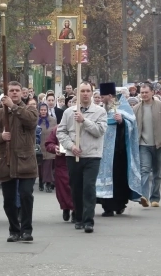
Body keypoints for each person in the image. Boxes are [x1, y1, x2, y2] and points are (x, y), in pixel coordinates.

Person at [0, 81, 38, 242]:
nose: (14, 93)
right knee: (8, 200)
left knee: (26, 195)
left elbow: (31, 122)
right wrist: (0, 137)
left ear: (22, 93)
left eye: (17, 90)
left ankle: (26, 230)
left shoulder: (30, 110)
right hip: (5, 161)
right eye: (11, 90)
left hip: (25, 161)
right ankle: (14, 230)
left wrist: (13, 108)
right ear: (6, 93)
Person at [57, 81, 107, 233]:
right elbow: (61, 132)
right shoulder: (68, 112)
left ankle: (88, 220)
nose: (85, 93)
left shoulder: (100, 112)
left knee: (89, 188)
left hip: (92, 155)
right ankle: (78, 217)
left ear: (92, 93)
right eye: (82, 91)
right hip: (74, 155)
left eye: (88, 91)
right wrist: (71, 146)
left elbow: (99, 131)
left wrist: (84, 120)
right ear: (78, 94)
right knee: (76, 187)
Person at [96, 83, 143, 216]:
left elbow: (132, 125)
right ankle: (107, 207)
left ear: (110, 96)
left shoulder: (122, 107)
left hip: (119, 153)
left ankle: (119, 204)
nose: (101, 99)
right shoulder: (102, 109)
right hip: (104, 152)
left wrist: (122, 121)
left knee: (118, 180)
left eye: (103, 96)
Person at [133, 83, 161, 207]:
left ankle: (155, 198)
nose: (144, 95)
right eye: (142, 93)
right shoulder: (136, 108)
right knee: (145, 170)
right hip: (143, 144)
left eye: (146, 92)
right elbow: (132, 128)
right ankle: (144, 197)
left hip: (159, 144)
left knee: (158, 173)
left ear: (152, 92)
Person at [37, 103, 57, 192]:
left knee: (48, 166)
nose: (43, 111)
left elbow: (56, 133)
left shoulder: (53, 120)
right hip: (39, 146)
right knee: (40, 166)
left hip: (49, 146)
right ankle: (41, 182)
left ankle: (48, 183)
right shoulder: (36, 120)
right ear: (39, 111)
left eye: (45, 110)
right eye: (41, 110)